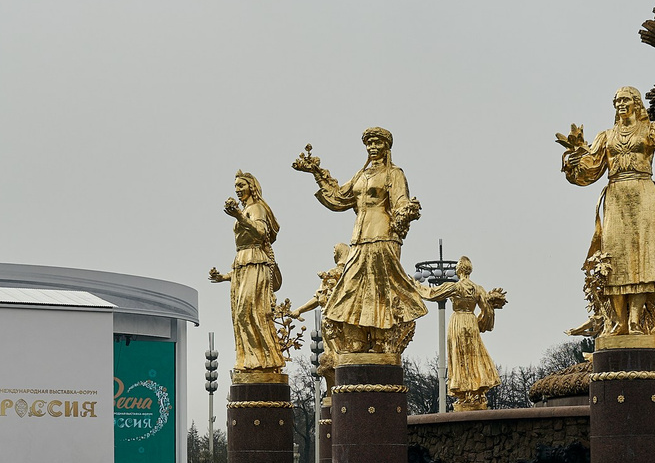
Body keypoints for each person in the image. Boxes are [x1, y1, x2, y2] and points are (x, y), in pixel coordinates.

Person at [558, 86, 655, 338]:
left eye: (624, 99)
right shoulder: (606, 136)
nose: (620, 104)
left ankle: (634, 321)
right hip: (616, 197)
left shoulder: (649, 130)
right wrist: (575, 159)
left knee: (643, 258)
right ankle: (618, 322)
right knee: (614, 260)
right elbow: (589, 170)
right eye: (616, 100)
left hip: (644, 196)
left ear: (636, 103)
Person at [293, 130, 428, 359]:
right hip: (359, 238)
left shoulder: (393, 174)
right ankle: (357, 337)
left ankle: (379, 338)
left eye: (377, 142)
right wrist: (316, 172)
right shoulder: (360, 175)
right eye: (369, 143)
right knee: (352, 286)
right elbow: (338, 198)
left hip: (383, 236)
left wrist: (407, 211)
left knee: (380, 289)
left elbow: (400, 201)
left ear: (387, 146)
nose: (372, 147)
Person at [207, 172, 283, 373]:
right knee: (241, 315)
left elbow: (260, 232)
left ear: (252, 186)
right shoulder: (247, 209)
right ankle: (250, 361)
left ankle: (264, 361)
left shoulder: (257, 208)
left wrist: (239, 216)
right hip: (242, 262)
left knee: (250, 311)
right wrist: (224, 276)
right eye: (236, 186)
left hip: (255, 259)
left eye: (241, 185)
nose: (238, 189)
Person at [422, 257, 507, 409]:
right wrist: (481, 324)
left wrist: (413, 286)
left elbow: (432, 294)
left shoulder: (455, 287)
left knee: (459, 356)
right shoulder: (478, 288)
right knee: (475, 355)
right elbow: (487, 310)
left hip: (458, 321)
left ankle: (464, 393)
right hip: (471, 321)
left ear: (458, 270)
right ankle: (477, 391)